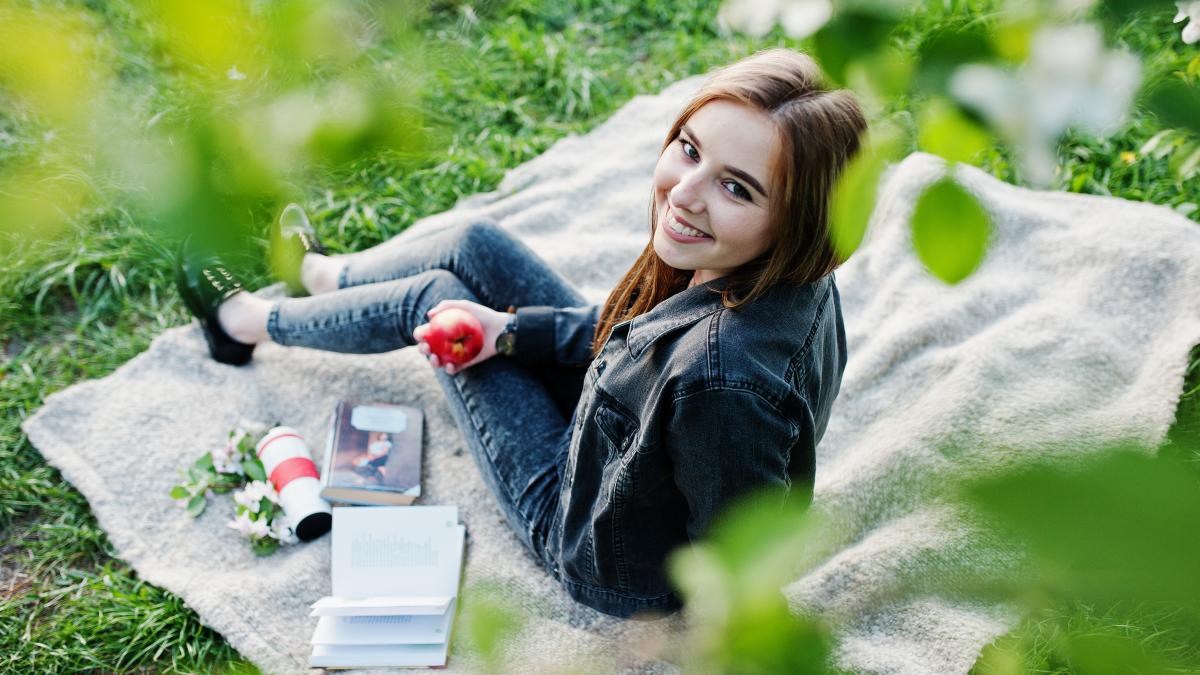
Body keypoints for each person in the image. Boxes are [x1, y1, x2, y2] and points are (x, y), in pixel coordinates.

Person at [174, 48, 867, 618]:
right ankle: (326, 276)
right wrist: (507, 334)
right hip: (622, 425)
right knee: (474, 244)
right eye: (689, 150)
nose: (685, 194)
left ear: (798, 218)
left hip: (590, 526)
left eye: (737, 188)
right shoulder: (772, 271)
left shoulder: (723, 381)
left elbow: (736, 554)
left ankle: (243, 323)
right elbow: (630, 342)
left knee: (435, 299)